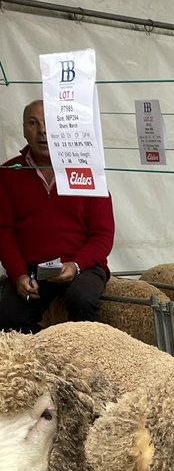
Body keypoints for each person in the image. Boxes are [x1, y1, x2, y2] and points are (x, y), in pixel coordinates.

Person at [0, 99, 114, 332]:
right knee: (7, 315)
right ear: (23, 128)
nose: (42, 131)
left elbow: (103, 234)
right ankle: (41, 363)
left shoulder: (85, 170)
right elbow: (4, 231)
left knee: (82, 299)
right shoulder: (9, 173)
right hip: (33, 268)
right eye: (33, 123)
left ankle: (87, 360)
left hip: (82, 266)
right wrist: (19, 274)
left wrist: (76, 264)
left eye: (49, 124)